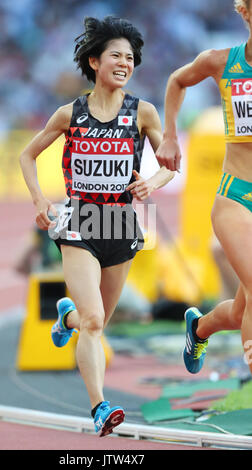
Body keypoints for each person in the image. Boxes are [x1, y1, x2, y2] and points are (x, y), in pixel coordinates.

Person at [20, 16, 175, 437]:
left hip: (120, 223)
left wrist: (152, 181)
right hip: (81, 222)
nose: (125, 63)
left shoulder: (142, 111)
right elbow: (26, 156)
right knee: (94, 321)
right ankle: (100, 407)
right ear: (94, 61)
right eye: (116, 56)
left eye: (130, 58)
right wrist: (39, 200)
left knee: (96, 322)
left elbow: (169, 163)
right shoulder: (69, 113)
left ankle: (64, 316)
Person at [156, 0, 252, 375]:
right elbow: (177, 80)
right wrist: (169, 137)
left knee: (241, 309)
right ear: (245, 12)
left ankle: (199, 328)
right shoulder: (221, 62)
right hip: (237, 197)